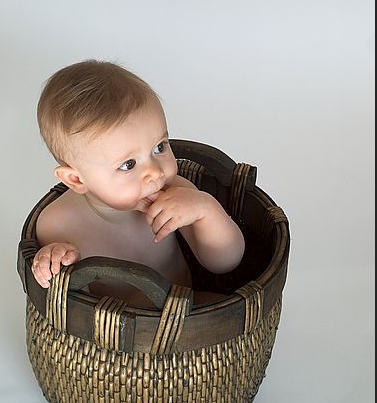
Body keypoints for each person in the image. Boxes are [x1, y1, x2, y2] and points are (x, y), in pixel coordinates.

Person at [31, 60, 245, 300]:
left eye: (159, 147)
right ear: (76, 179)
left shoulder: (176, 193)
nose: (154, 172)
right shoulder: (57, 224)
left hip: (182, 317)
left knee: (221, 305)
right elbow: (67, 301)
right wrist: (52, 260)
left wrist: (206, 211)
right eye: (128, 164)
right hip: (108, 333)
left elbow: (226, 263)